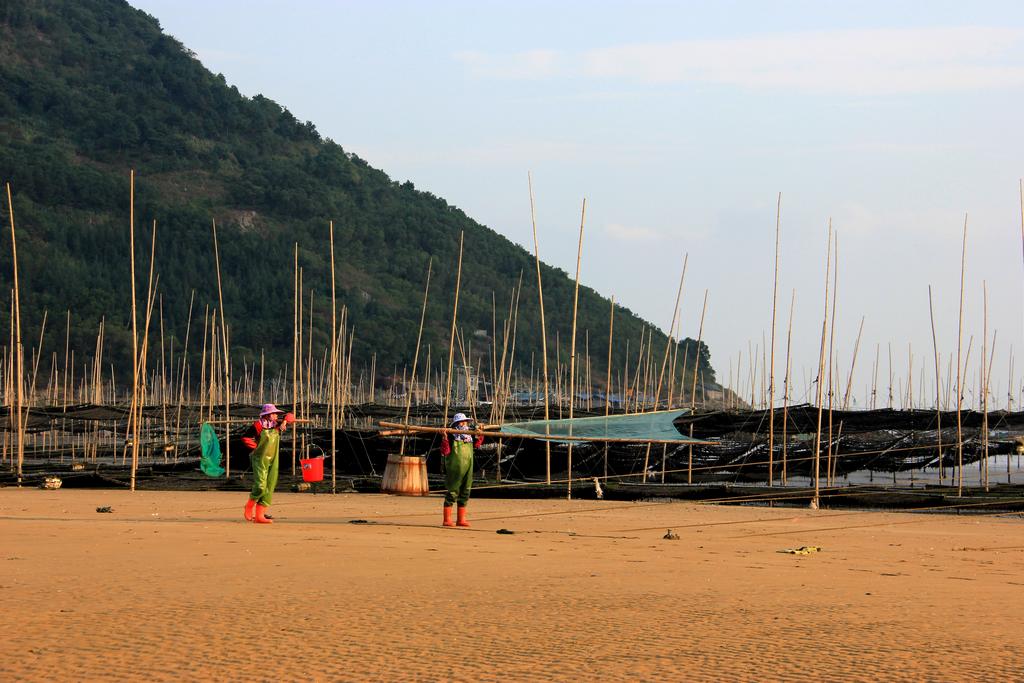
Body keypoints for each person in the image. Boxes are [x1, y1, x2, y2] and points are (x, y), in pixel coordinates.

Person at [242, 403, 294, 524]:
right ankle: (249, 506)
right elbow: (246, 438)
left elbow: (291, 416)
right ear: (268, 415)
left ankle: (260, 515)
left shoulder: (276, 425)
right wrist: (256, 448)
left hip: (273, 458)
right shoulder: (258, 425)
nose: (276, 416)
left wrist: (285, 421)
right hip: (260, 459)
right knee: (261, 486)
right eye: (274, 414)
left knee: (270, 486)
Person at [439, 412, 482, 528]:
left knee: (466, 490)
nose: (464, 424)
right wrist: (444, 437)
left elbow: (477, 445)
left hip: (468, 466)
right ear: (457, 424)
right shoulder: (452, 436)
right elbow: (445, 451)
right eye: (462, 422)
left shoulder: (470, 436)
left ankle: (461, 519)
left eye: (465, 422)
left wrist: (480, 434)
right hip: (455, 466)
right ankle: (447, 519)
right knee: (452, 491)